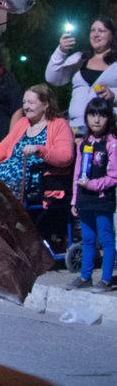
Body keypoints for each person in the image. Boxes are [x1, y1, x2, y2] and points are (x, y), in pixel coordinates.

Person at [0, 84, 74, 205]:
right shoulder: (23, 123)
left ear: (46, 104)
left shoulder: (59, 124)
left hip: (34, 184)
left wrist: (39, 150)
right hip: (4, 181)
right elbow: (4, 146)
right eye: (24, 102)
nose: (26, 107)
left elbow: (66, 157)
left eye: (31, 102)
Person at [69, 97, 117, 291]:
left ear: (109, 119)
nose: (96, 119)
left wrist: (93, 185)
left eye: (102, 115)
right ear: (86, 116)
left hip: (102, 199)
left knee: (106, 239)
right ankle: (85, 277)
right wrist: (75, 199)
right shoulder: (83, 143)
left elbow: (114, 176)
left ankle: (106, 279)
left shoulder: (112, 143)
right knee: (88, 239)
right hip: (84, 199)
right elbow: (77, 173)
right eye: (92, 114)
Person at [47, 16, 117, 131]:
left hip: (107, 130)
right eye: (93, 30)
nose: (95, 34)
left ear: (112, 35)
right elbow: (52, 78)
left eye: (101, 31)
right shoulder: (79, 59)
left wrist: (114, 95)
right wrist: (61, 51)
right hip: (76, 128)